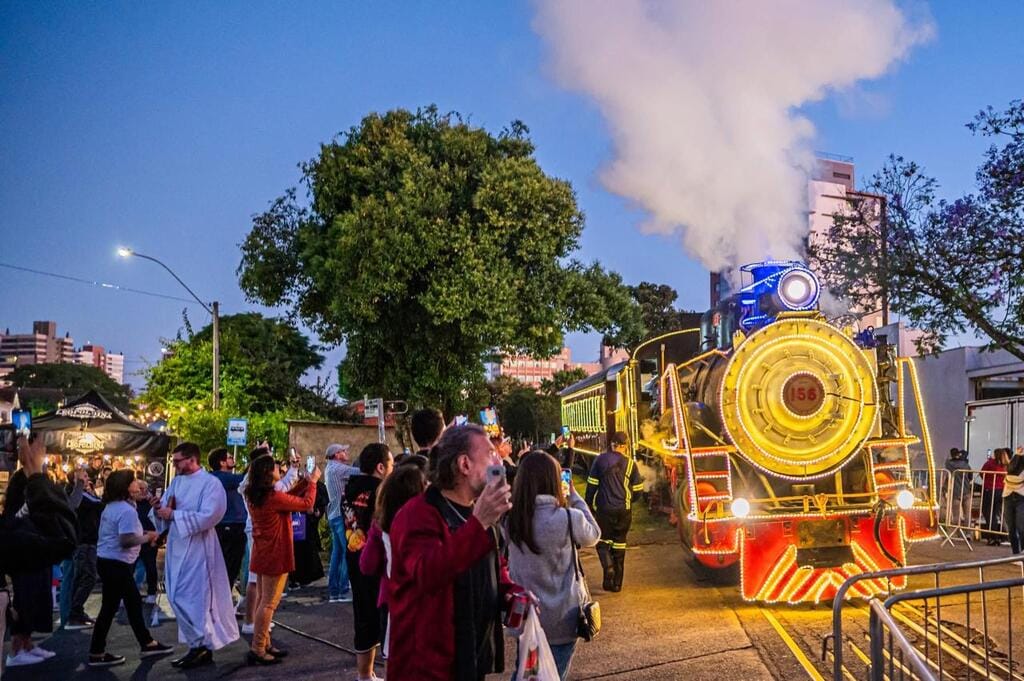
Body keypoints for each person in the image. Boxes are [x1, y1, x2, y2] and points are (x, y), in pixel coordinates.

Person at [388, 424, 521, 681]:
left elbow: (490, 566)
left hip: (470, 658)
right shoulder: (418, 515)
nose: (499, 460)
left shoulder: (476, 512)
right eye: (491, 454)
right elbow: (428, 573)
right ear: (464, 464)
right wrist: (479, 523)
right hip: (430, 667)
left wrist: (511, 593)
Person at [506, 451, 601, 680]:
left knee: (527, 672)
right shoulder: (569, 518)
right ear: (555, 480)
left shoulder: (511, 520)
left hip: (527, 617)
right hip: (563, 619)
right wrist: (575, 496)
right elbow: (594, 534)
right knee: (550, 674)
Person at [150, 442, 238, 669]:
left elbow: (211, 515)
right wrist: (158, 509)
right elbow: (167, 510)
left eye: (178, 461)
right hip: (177, 545)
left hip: (200, 546)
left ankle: (201, 646)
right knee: (175, 594)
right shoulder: (177, 482)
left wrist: (174, 515)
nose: (175, 465)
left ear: (192, 459)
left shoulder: (211, 484)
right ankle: (197, 643)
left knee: (195, 598)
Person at [1, 436, 77, 668]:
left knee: (31, 607)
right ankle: (18, 649)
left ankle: (25, 646)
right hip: (24, 569)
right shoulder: (15, 521)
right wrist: (35, 473)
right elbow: (64, 535)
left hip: (30, 565)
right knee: (24, 607)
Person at [87, 470, 174, 667]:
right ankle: (142, 643)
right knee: (127, 604)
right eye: (133, 481)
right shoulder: (125, 510)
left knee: (114, 607)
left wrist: (144, 534)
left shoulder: (115, 506)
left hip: (110, 562)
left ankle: (101, 650)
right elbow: (126, 540)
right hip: (116, 564)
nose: (138, 484)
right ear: (125, 487)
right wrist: (148, 537)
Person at [245, 453, 320, 665]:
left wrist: (305, 482)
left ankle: (264, 642)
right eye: (277, 468)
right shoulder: (272, 497)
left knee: (262, 600)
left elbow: (290, 498)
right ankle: (258, 647)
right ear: (268, 473)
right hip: (275, 554)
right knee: (268, 603)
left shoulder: (259, 495)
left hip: (262, 552)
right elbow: (305, 504)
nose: (280, 470)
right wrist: (312, 483)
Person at [359, 463, 428, 660]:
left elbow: (367, 565)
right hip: (428, 600)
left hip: (394, 599)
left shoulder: (381, 526)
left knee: (398, 661)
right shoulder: (432, 523)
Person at [343, 443, 394, 681]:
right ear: (381, 467)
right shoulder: (382, 490)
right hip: (378, 561)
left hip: (355, 556)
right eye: (391, 464)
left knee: (362, 615)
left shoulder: (349, 488)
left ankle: (365, 674)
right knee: (384, 619)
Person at [237, 446, 299, 634]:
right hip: (262, 531)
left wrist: (293, 471)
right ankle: (253, 623)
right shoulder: (261, 487)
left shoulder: (252, 483)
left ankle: (254, 621)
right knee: (259, 584)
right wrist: (302, 477)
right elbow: (285, 490)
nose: (276, 467)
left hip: (255, 528)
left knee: (257, 579)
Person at [586, 431, 643, 592]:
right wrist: (628, 501)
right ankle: (616, 584)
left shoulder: (599, 460)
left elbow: (591, 486)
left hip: (604, 509)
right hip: (624, 511)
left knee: (602, 541)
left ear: (612, 445)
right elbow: (638, 490)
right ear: (625, 447)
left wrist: (589, 505)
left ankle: (608, 568)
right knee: (619, 544)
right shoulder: (631, 464)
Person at [66, 471, 103, 629]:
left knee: (82, 576)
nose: (88, 479)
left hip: (88, 540)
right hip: (83, 541)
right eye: (84, 477)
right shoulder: (76, 493)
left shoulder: (86, 493)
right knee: (87, 577)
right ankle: (75, 612)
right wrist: (82, 486)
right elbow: (98, 504)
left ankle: (76, 611)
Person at [209, 447, 248, 593]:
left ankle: (223, 598)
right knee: (228, 565)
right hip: (229, 526)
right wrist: (258, 456)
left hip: (233, 525)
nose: (233, 459)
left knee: (231, 565)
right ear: (222, 462)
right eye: (230, 457)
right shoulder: (221, 477)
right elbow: (246, 478)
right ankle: (221, 599)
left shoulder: (224, 478)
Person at [324, 443, 357, 603]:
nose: (345, 452)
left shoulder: (329, 468)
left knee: (336, 554)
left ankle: (334, 590)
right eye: (343, 451)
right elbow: (360, 473)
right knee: (347, 552)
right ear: (336, 455)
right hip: (340, 515)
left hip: (333, 514)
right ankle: (343, 590)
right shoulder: (339, 469)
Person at [290, 474, 327, 588]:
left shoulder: (313, 486)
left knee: (305, 548)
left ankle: (304, 577)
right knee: (301, 549)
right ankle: (299, 577)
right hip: (299, 519)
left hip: (304, 520)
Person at [132, 479, 159, 602]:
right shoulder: (131, 504)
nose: (142, 491)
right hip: (134, 540)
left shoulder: (152, 504)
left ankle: (152, 593)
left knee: (150, 566)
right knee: (130, 568)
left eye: (145, 489)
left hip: (149, 540)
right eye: (140, 488)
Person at [981, 448, 1010, 545]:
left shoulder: (990, 463)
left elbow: (982, 473)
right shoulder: (1006, 465)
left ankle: (992, 537)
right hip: (1002, 490)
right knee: (997, 513)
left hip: (990, 489)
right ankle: (1001, 537)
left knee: (988, 513)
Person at [943, 448, 973, 527]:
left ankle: (958, 533)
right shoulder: (966, 465)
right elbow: (971, 477)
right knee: (967, 514)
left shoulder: (949, 465)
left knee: (956, 514)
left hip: (955, 492)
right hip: (966, 491)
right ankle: (968, 533)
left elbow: (946, 460)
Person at [1003, 447, 1024, 554]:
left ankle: (1021, 553)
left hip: (1021, 497)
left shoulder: (1014, 462)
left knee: (1021, 527)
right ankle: (1015, 553)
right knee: (1011, 528)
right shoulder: (1013, 462)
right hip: (1008, 496)